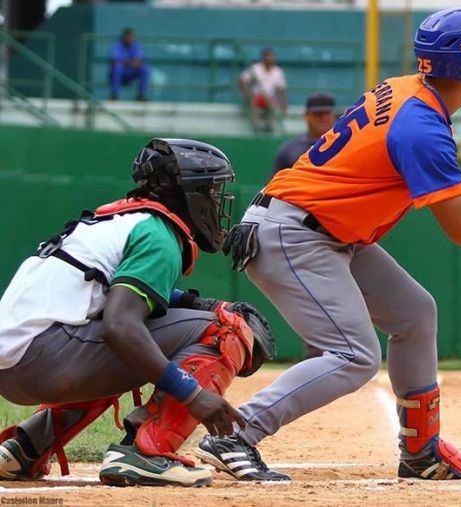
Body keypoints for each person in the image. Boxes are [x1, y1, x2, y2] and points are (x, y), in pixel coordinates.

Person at [197, 8, 461, 481]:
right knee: (353, 355)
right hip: (296, 234)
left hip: (324, 230)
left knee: (415, 312)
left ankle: (421, 452)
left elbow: (428, 187)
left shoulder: (406, 91)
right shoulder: (423, 125)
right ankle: (234, 433)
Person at [0, 138, 276, 487]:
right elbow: (120, 325)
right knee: (226, 329)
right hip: (48, 358)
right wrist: (193, 395)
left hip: (17, 366)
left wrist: (201, 304)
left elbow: (119, 296)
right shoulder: (158, 233)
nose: (215, 199)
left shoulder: (119, 219)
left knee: (137, 337)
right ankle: (147, 453)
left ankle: (24, 447)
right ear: (184, 192)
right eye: (209, 189)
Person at [270, 92, 336, 179]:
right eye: (318, 113)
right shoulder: (290, 150)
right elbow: (274, 187)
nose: (322, 118)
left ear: (333, 115)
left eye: (326, 113)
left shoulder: (346, 146)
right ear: (306, 115)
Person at [239, 48, 287, 133]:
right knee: (253, 100)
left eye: (271, 57)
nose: (269, 59)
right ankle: (256, 127)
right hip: (255, 96)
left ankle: (268, 127)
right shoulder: (255, 68)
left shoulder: (278, 71)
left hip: (268, 98)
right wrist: (246, 92)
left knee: (272, 104)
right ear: (263, 57)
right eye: (267, 56)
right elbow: (243, 80)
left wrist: (283, 103)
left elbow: (282, 89)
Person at [110, 28, 149, 101]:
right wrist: (130, 63)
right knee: (117, 68)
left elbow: (139, 61)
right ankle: (115, 95)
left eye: (132, 37)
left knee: (144, 68)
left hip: (132, 72)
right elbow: (115, 60)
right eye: (129, 37)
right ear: (124, 37)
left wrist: (125, 62)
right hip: (121, 73)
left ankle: (141, 95)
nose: (130, 39)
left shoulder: (135, 45)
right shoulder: (118, 45)